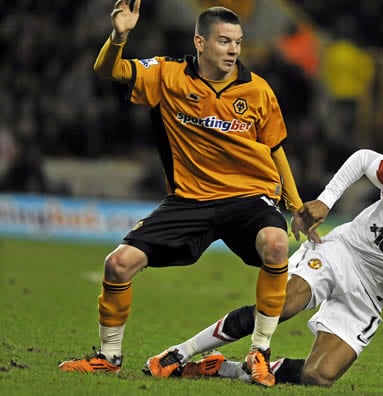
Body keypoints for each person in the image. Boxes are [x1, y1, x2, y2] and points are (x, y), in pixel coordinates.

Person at [57, 1, 309, 388]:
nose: (233, 50)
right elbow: (108, 69)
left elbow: (275, 148)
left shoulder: (257, 90)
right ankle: (108, 357)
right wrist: (118, 37)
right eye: (224, 41)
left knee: (275, 244)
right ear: (200, 42)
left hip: (248, 196)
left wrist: (294, 205)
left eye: (238, 43)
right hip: (189, 200)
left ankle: (259, 351)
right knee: (118, 264)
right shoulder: (166, 74)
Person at [145, 148, 383, 387]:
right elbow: (364, 158)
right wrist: (325, 200)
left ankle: (223, 369)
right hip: (341, 252)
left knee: (318, 377)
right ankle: (179, 353)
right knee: (283, 304)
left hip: (370, 295)